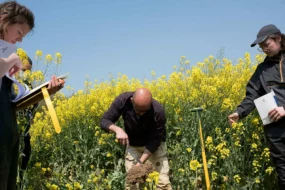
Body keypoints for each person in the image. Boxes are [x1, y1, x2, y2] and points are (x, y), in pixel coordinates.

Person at [0, 2, 64, 189]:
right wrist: (12, 59)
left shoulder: (5, 52)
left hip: (7, 137)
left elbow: (12, 102)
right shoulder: (8, 56)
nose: (20, 40)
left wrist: (46, 90)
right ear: (4, 20)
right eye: (19, 32)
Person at [228, 24, 285, 189]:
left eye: (266, 44)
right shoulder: (262, 70)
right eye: (261, 48)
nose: (265, 49)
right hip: (275, 131)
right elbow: (252, 94)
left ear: (278, 38)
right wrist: (239, 112)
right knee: (283, 175)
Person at [100, 88, 172, 190]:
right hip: (133, 147)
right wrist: (117, 129)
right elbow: (104, 120)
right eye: (138, 110)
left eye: (145, 111)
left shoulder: (158, 111)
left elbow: (155, 141)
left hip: (155, 147)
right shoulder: (123, 101)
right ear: (132, 101)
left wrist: (140, 163)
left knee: (162, 183)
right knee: (132, 184)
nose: (141, 114)